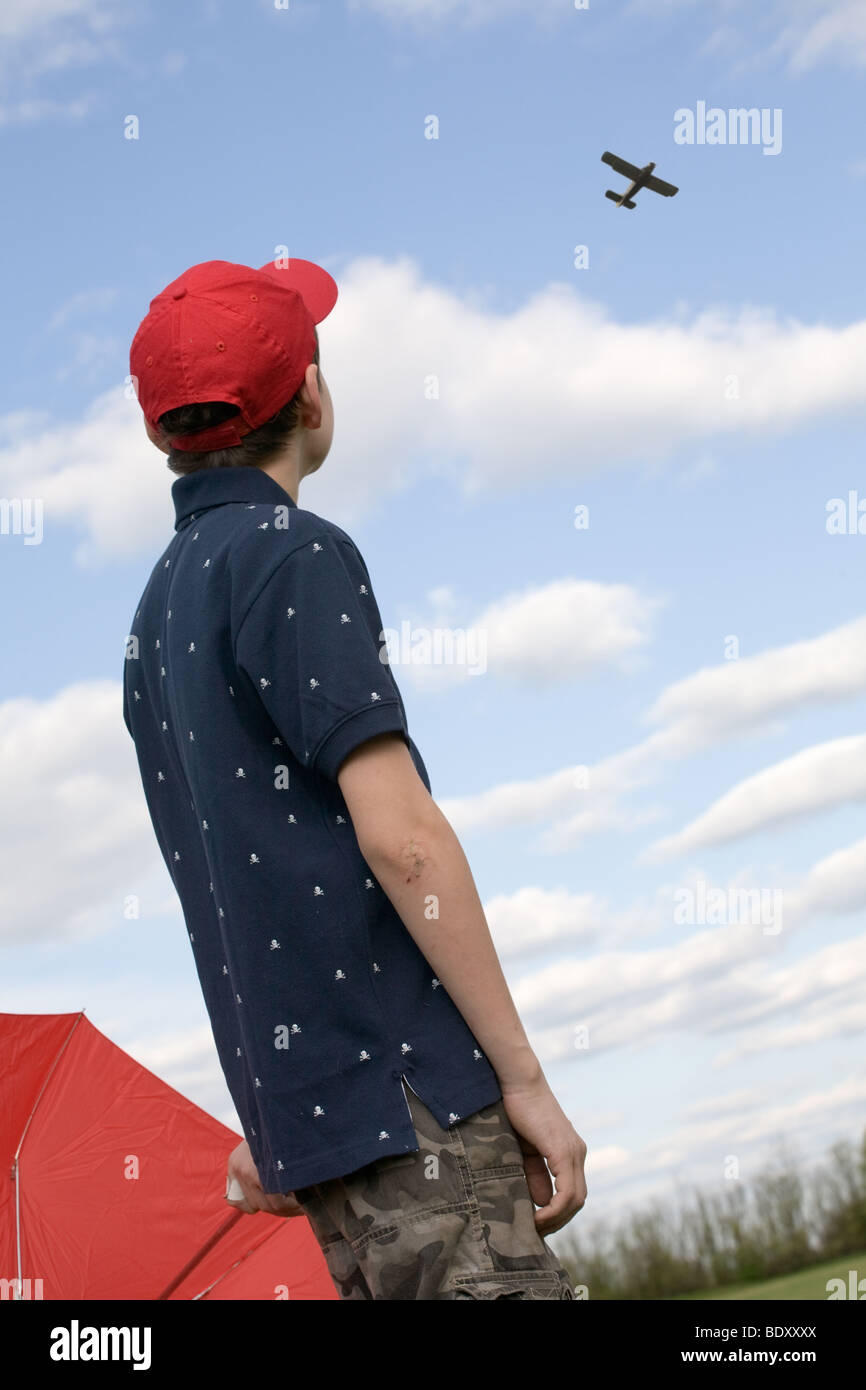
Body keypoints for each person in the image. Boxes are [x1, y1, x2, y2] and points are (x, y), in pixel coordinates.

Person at [124, 256, 587, 1300]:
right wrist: (521, 1077)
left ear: (161, 433)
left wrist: (275, 1112)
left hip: (320, 1128)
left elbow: (230, 875)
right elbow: (402, 838)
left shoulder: (153, 620)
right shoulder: (292, 552)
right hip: (414, 1090)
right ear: (314, 397)